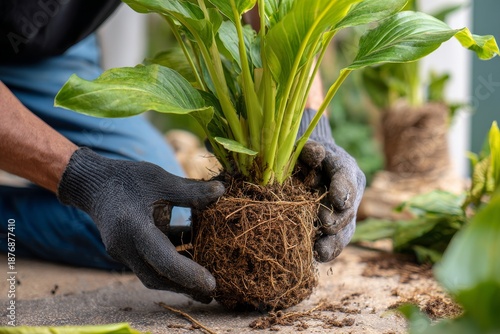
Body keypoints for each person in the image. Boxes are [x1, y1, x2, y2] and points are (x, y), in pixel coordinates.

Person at [0, 1, 365, 304]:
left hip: (52, 51)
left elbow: (282, 12)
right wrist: (88, 181)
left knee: (158, 222)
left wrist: (309, 129)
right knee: (119, 213)